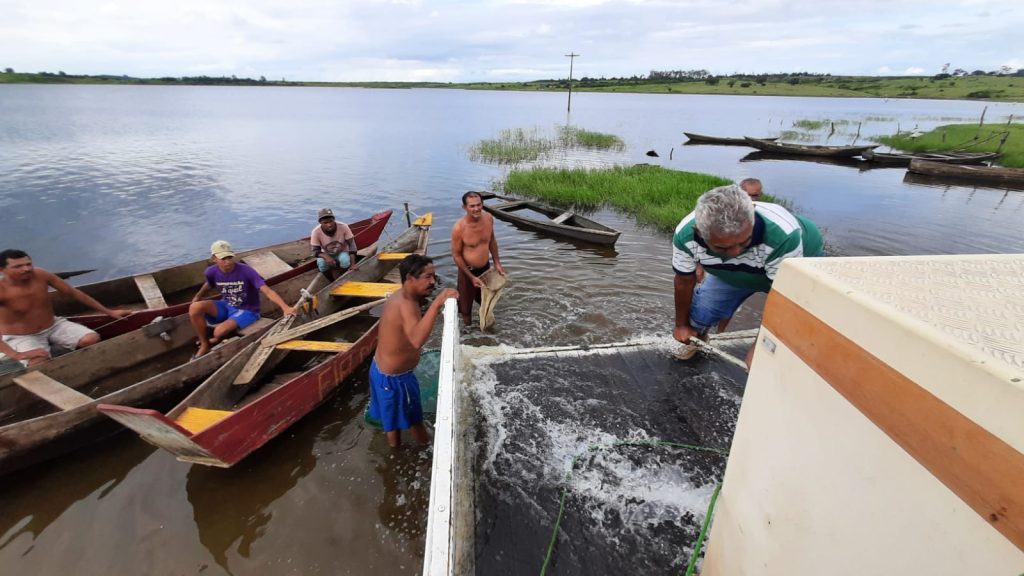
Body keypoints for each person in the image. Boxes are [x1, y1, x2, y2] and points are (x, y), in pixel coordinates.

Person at [672, 184, 823, 366]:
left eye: (744, 242)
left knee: (796, 325)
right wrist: (682, 326)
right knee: (701, 316)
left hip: (791, 266)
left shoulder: (783, 235)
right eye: (723, 247)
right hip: (733, 274)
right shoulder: (684, 235)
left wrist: (762, 347)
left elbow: (785, 301)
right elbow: (684, 281)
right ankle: (699, 339)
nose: (736, 253)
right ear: (700, 233)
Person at [368, 254, 457, 448]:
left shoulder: (399, 296)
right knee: (414, 420)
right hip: (396, 379)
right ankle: (429, 454)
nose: (433, 281)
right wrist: (437, 303)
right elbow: (417, 340)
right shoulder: (407, 304)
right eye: (427, 277)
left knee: (391, 420)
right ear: (409, 278)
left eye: (434, 276)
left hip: (380, 371)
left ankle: (394, 458)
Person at [0, 249, 131, 367]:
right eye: (18, 267)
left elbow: (74, 293)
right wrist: (16, 355)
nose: (26, 269)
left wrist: (108, 312)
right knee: (38, 363)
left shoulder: (41, 274)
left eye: (28, 264)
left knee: (90, 339)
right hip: (21, 336)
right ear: (2, 270)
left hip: (53, 325)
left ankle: (60, 351)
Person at [188, 240, 296, 358]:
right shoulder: (211, 271)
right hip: (227, 305)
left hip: (247, 310)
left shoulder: (246, 271)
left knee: (218, 332)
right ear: (214, 258)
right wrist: (198, 296)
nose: (228, 262)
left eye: (230, 257)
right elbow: (209, 284)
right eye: (223, 259)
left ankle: (217, 338)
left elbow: (267, 291)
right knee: (195, 307)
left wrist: (285, 307)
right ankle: (204, 343)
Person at [451, 191, 505, 326]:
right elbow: (456, 255)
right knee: (465, 308)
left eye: (479, 205)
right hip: (467, 272)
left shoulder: (488, 218)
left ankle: (486, 328)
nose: (476, 209)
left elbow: (492, 241)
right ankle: (468, 333)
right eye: (472, 206)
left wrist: (497, 263)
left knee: (486, 302)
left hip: (485, 269)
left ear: (483, 204)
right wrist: (470, 277)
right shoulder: (459, 228)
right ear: (465, 208)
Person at [311, 208, 359, 282]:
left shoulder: (343, 227)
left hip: (342, 251)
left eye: (331, 221)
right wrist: (326, 257)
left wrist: (353, 264)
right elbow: (315, 251)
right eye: (325, 223)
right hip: (326, 252)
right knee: (322, 265)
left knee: (345, 261)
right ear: (320, 222)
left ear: (334, 219)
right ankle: (332, 281)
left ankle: (341, 277)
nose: (329, 225)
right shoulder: (315, 232)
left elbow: (352, 245)